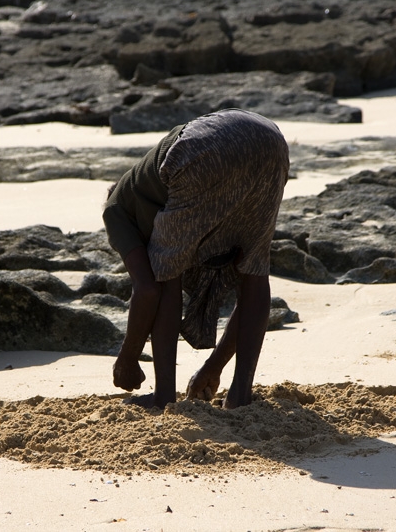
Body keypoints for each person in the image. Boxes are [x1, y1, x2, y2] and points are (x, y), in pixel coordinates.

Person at [102, 108, 289, 409]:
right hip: (270, 142)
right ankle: (240, 395)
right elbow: (249, 288)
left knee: (165, 275)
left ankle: (164, 396)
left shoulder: (116, 209)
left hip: (201, 150)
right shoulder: (177, 207)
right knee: (254, 271)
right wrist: (213, 367)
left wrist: (127, 359)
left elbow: (151, 289)